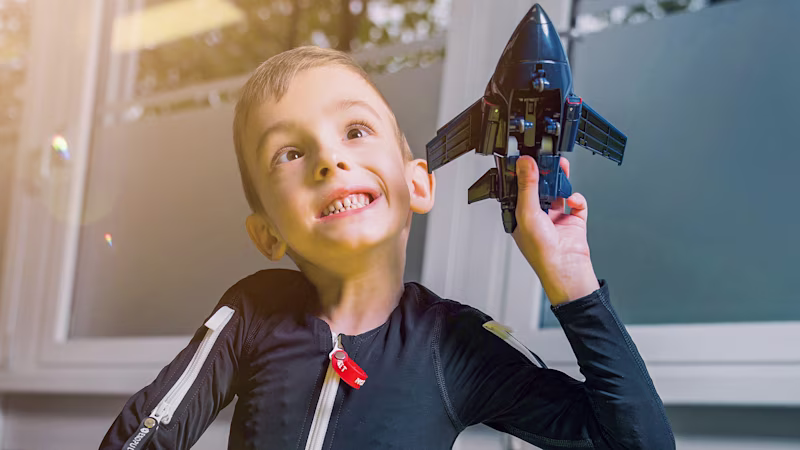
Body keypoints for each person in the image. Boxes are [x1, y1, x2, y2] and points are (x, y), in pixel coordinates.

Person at [100, 46, 675, 450]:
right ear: (267, 234)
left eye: (354, 131)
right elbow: (146, 433)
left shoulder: (453, 342)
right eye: (289, 153)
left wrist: (572, 284)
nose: (330, 160)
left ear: (418, 184)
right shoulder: (252, 312)